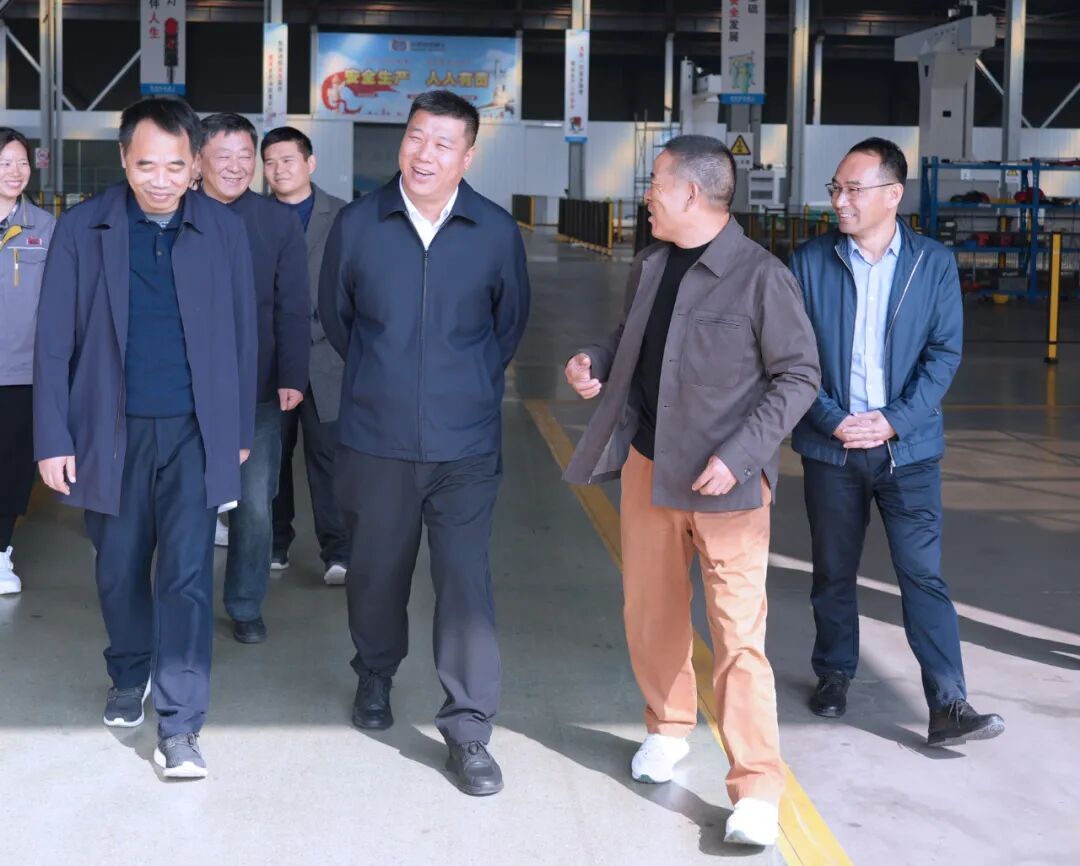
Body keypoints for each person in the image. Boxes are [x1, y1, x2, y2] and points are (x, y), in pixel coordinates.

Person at [563, 135, 820, 847]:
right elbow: (631, 340)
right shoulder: (651, 264)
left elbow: (799, 376)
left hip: (726, 486)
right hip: (651, 468)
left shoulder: (761, 277)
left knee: (738, 637)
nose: (646, 194)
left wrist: (741, 456)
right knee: (651, 612)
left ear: (691, 193)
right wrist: (594, 359)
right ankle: (668, 728)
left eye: (655, 182)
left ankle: (756, 787)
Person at [33, 96, 257, 778]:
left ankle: (181, 725)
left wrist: (236, 430)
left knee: (187, 576)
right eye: (146, 165)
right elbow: (53, 340)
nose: (161, 180)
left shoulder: (221, 229)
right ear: (125, 161)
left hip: (194, 430)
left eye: (175, 166)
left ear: (196, 166)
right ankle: (130, 671)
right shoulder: (85, 229)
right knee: (120, 566)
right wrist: (53, 437)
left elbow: (243, 333)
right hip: (110, 431)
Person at [320, 90, 529, 797]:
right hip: (374, 439)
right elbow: (339, 320)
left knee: (466, 583)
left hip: (464, 444)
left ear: (467, 156)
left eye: (443, 143)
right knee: (376, 573)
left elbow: (508, 326)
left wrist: (460, 389)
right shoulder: (359, 224)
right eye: (416, 137)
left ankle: (469, 729)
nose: (425, 153)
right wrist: (385, 383)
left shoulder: (494, 231)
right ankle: (375, 674)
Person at [790, 137, 1005, 748]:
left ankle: (948, 703)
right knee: (833, 571)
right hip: (832, 447)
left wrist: (893, 421)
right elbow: (790, 355)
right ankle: (834, 673)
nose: (839, 200)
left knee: (922, 574)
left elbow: (943, 354)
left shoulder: (931, 263)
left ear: (892, 194)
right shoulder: (807, 262)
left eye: (852, 189)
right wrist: (831, 419)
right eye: (835, 188)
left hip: (907, 451)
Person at [197, 113, 310, 644]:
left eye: (246, 156)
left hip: (258, 388)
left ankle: (245, 604)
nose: (237, 166)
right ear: (198, 159)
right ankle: (185, 601)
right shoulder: (176, 213)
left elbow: (293, 304)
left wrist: (293, 374)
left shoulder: (276, 222)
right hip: (186, 390)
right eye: (224, 155)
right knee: (187, 503)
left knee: (255, 505)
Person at [261, 126, 350, 584]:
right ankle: (275, 544)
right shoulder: (252, 216)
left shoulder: (344, 217)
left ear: (309, 163)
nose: (278, 169)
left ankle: (339, 551)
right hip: (270, 360)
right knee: (272, 458)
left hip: (327, 357)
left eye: (288, 160)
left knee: (328, 457)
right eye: (270, 162)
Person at [0, 128, 56, 596]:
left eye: (21, 162)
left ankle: (0, 551)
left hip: (20, 371)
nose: (15, 172)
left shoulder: (45, 227)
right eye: (4, 162)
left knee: (12, 464)